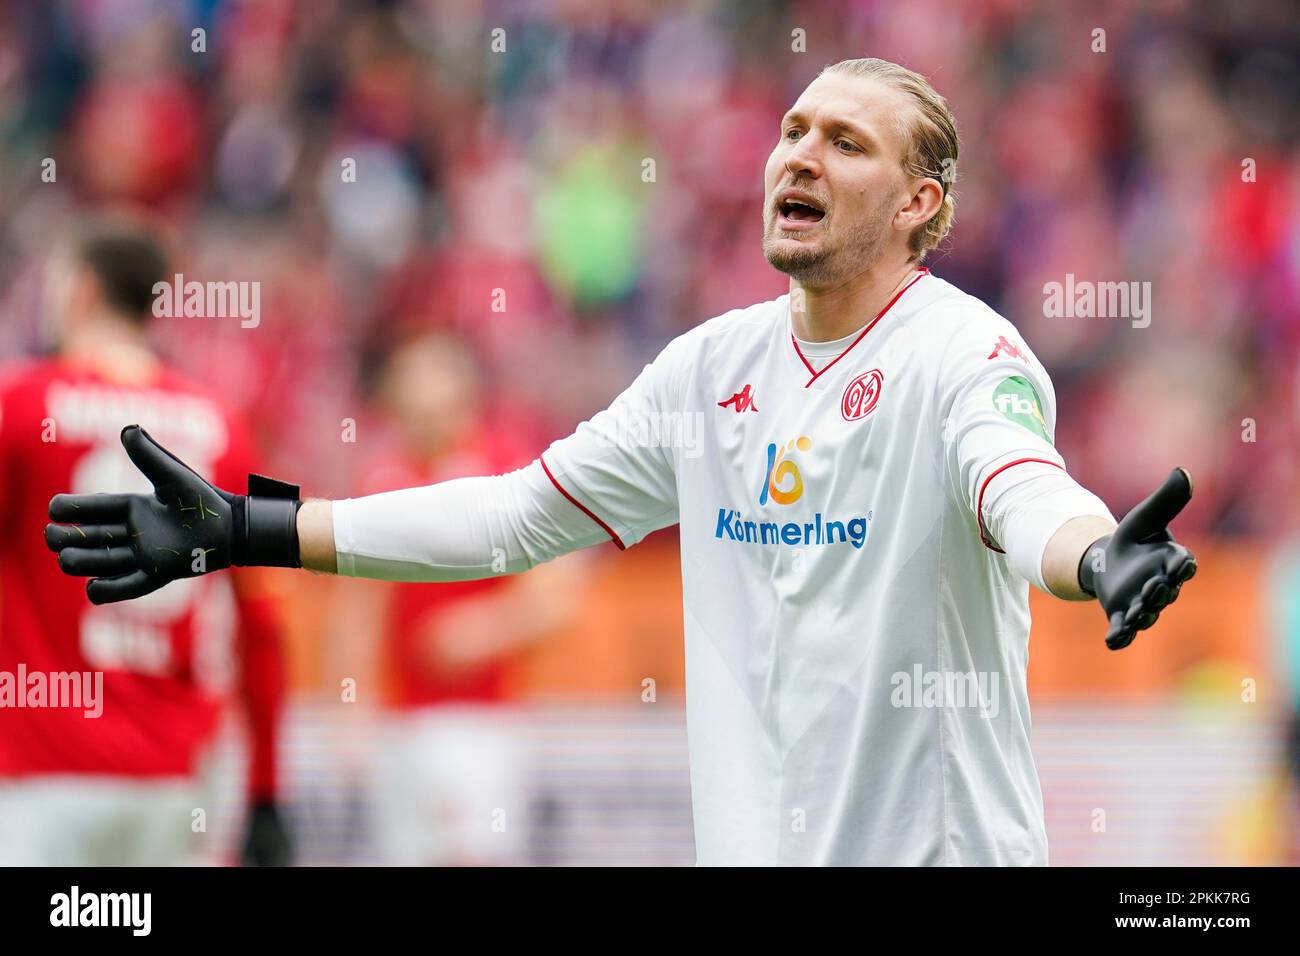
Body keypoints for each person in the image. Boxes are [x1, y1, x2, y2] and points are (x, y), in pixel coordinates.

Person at [46, 60, 1198, 866]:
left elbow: (1018, 481)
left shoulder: (965, 349)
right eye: (793, 130)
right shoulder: (707, 369)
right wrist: (256, 527)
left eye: (846, 143)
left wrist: (1092, 553)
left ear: (918, 203)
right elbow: (511, 517)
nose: (798, 153)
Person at [4, 214, 292, 866]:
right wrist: (269, 788)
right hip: (174, 777)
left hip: (38, 771)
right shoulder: (223, 425)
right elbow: (263, 625)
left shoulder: (21, 406)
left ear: (80, 290)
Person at [326, 331, 578, 864]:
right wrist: (350, 704)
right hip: (402, 721)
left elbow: (558, 594)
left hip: (482, 722)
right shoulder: (383, 477)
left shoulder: (509, 470)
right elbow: (357, 610)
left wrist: (485, 627)